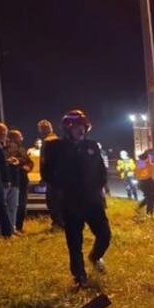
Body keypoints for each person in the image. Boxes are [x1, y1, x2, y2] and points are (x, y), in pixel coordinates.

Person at [44, 110, 111, 287]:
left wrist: (97, 190)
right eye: (77, 127)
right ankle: (79, 277)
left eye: (84, 127)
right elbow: (47, 173)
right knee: (74, 242)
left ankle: (95, 257)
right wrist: (60, 195)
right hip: (70, 203)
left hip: (92, 201)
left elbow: (101, 171)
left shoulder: (92, 146)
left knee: (105, 235)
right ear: (67, 128)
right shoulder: (54, 147)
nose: (81, 130)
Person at [5, 129, 34, 233]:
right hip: (13, 181)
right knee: (13, 205)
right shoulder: (7, 149)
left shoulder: (22, 149)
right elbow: (10, 161)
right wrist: (22, 164)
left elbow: (30, 162)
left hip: (23, 180)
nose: (22, 138)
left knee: (22, 204)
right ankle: (11, 227)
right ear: (12, 138)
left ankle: (19, 227)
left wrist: (28, 167)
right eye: (19, 136)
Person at [37, 119, 64, 231]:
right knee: (60, 200)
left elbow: (44, 161)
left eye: (40, 129)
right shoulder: (59, 140)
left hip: (52, 178)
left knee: (53, 202)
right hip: (61, 176)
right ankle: (62, 222)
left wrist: (43, 177)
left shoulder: (47, 142)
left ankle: (58, 224)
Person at [135, 151, 154, 216]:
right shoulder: (146, 164)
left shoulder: (139, 163)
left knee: (149, 197)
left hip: (142, 182)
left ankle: (140, 207)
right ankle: (149, 213)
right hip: (147, 182)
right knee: (151, 198)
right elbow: (149, 172)